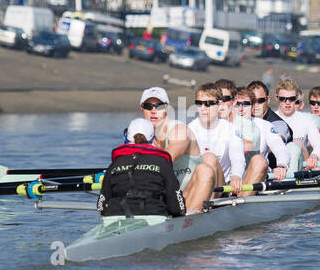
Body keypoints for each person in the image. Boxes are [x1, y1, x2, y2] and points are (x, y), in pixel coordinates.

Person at [98, 118, 186, 218]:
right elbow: (176, 207)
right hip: (154, 215)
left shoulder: (115, 164)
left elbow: (101, 207)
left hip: (114, 215)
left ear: (126, 137)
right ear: (152, 138)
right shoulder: (162, 163)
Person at [182, 82, 245, 213]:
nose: (203, 108)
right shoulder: (190, 130)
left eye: (208, 104)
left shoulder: (231, 129)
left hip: (221, 189)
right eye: (199, 103)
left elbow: (238, 157)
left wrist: (236, 177)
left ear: (219, 104)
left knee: (209, 157)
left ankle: (203, 209)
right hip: (196, 186)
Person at [230, 86, 290, 184]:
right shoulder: (225, 126)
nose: (241, 109)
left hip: (258, 177)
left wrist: (281, 165)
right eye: (238, 105)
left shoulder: (264, 126)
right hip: (231, 179)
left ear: (253, 106)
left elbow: (280, 148)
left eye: (246, 104)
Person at [273, 78, 320, 172]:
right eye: (283, 99)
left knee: (296, 145)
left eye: (291, 99)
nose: (287, 102)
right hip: (276, 166)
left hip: (301, 166)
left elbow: (319, 146)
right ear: (276, 98)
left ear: (296, 97)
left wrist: (314, 156)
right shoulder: (270, 119)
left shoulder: (306, 119)